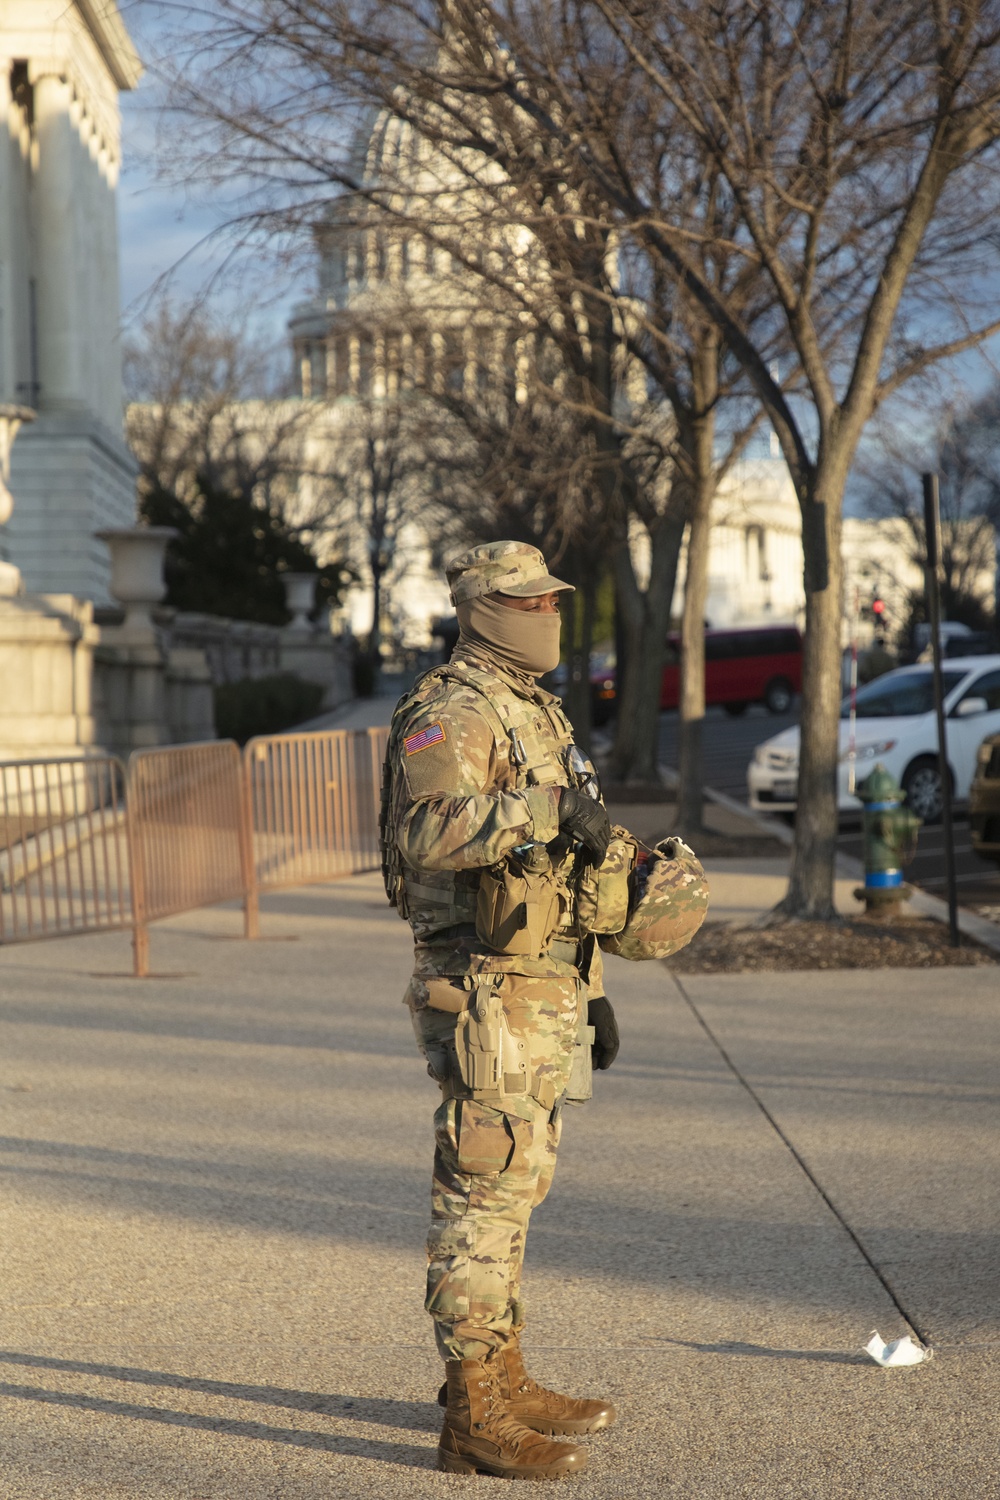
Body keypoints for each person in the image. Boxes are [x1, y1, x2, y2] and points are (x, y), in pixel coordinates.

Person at [380, 540, 707, 1479]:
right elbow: (427, 831)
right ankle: (473, 1413)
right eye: (529, 600)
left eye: (554, 598)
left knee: (519, 1186)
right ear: (482, 606)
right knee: (483, 1188)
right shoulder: (452, 707)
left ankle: (500, 1373)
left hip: (543, 983)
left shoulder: (532, 707)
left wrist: (592, 990)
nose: (548, 612)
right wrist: (543, 809)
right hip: (480, 982)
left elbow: (563, 868)